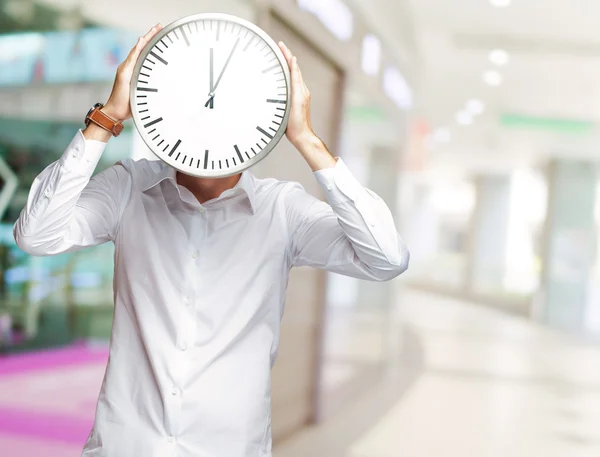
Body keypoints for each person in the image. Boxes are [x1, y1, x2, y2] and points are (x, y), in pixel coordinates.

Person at [13, 23, 409, 457]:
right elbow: (36, 235)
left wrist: (307, 139)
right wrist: (107, 116)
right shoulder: (129, 187)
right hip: (125, 445)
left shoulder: (282, 211)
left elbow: (386, 258)